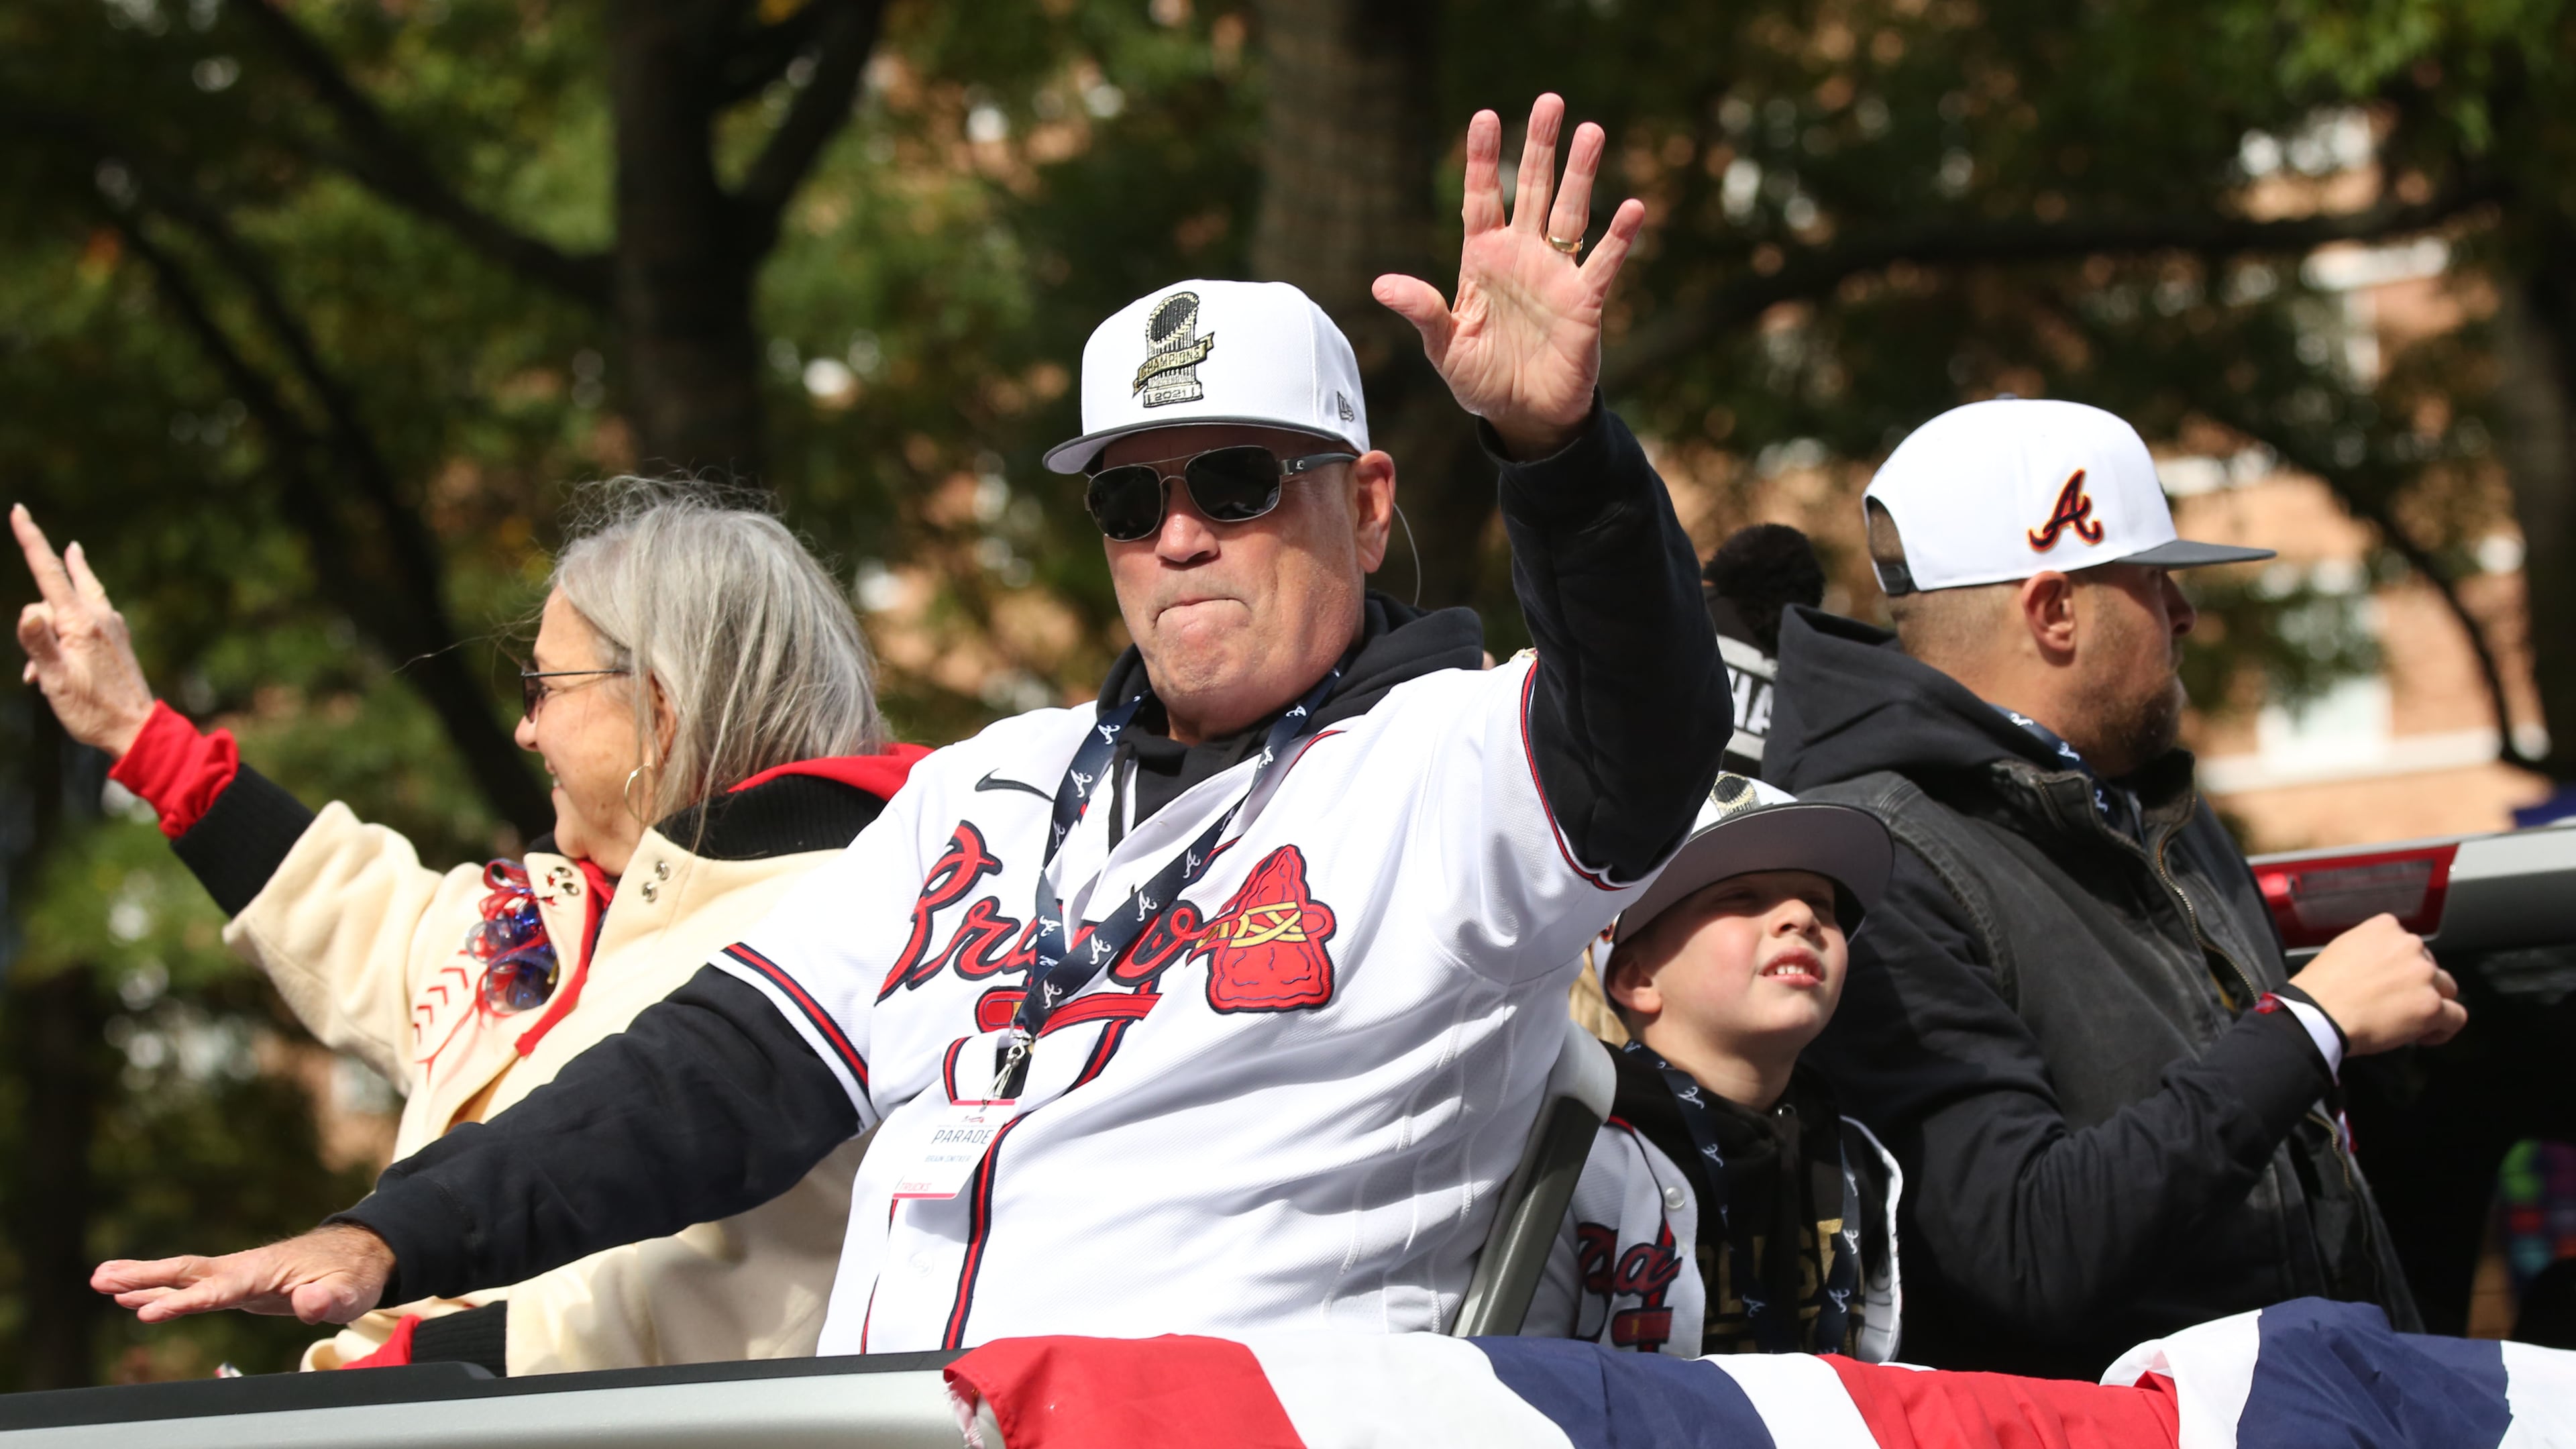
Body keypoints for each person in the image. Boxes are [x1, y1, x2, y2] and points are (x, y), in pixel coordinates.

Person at [91, 95, 1733, 1352]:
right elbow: (708, 1076)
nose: (1176, 535)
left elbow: (1641, 739)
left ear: (1365, 505)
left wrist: (1565, 459)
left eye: (1235, 483)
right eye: (1127, 497)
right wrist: (398, 1232)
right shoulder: (991, 785)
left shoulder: (1454, 759)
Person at [15, 484, 924, 1375]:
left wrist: (406, 1375)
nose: (525, 733)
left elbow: (738, 1295)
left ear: (660, 701)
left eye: (544, 686)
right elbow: (355, 911)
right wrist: (139, 734)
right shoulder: (567, 912)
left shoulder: (838, 927)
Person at [1761, 398, 2466, 1377]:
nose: (2184, 614)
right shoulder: (1874, 858)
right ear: (2054, 612)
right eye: (2157, 581)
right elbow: (2024, 1250)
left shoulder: (2149, 801)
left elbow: (2295, 1191)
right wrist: (2308, 1029)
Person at [1533, 773, 1905, 1360]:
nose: (1800, 917)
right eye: (1741, 898)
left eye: (1822, 904)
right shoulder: (1570, 1149)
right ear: (1638, 979)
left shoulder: (1863, 1163)